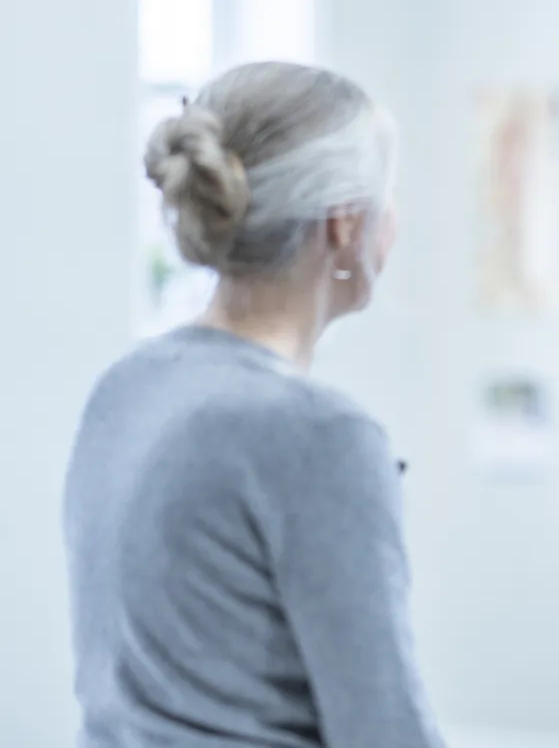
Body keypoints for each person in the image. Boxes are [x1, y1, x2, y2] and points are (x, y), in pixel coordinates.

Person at [62, 62, 445, 748]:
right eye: (388, 199)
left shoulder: (123, 388)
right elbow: (385, 731)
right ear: (344, 225)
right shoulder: (321, 435)